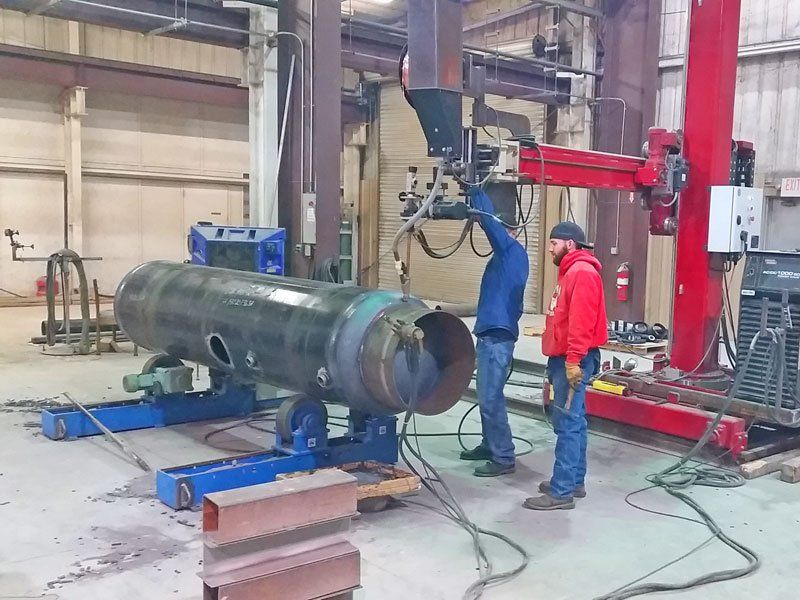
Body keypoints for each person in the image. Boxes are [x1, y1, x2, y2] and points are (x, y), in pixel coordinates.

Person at [524, 221, 607, 510]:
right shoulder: (572, 270)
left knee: (568, 424)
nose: (549, 249)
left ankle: (561, 492)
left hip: (574, 359)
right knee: (574, 421)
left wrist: (572, 361)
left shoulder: (581, 273)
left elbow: (581, 323)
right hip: (565, 358)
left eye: (553, 243)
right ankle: (574, 481)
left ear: (569, 244)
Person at [459, 187, 529, 477]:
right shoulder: (506, 257)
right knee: (487, 396)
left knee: (490, 399)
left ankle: (503, 457)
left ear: (509, 230)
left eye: (500, 228)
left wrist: (475, 189)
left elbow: (489, 223)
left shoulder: (511, 251)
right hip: (491, 334)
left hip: (497, 339)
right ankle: (490, 445)